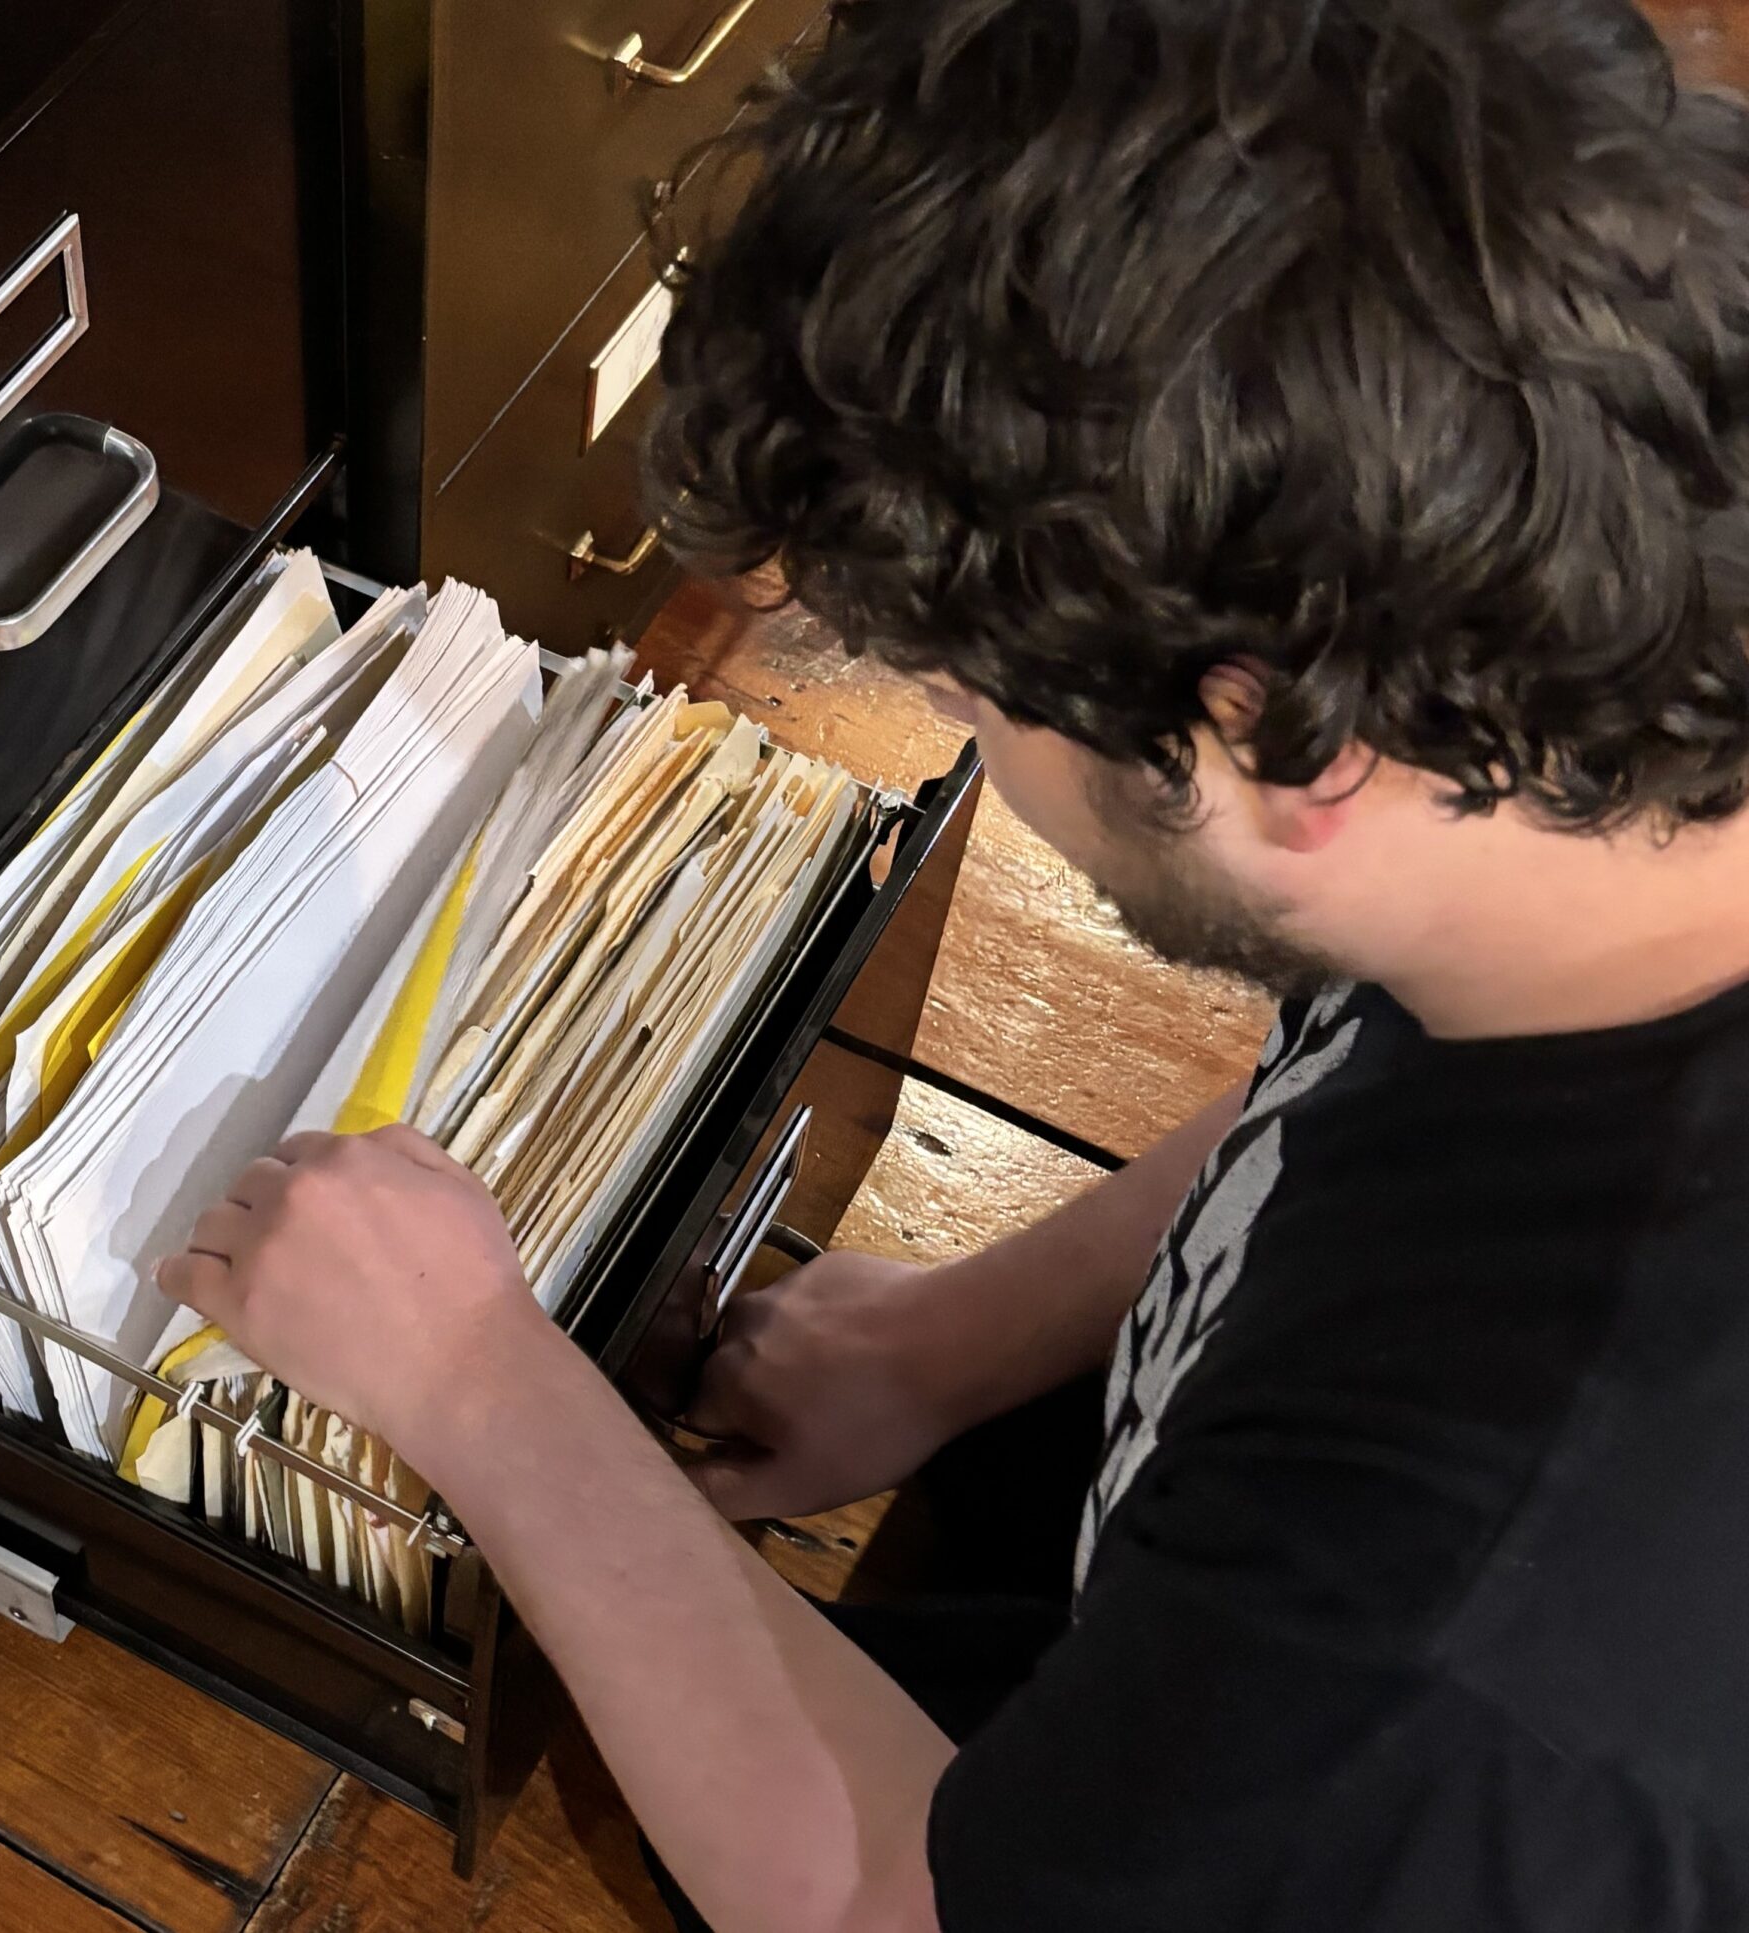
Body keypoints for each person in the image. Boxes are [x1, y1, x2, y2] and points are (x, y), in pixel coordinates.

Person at [154, 0, 1749, 1923]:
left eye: (973, 707)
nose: (972, 743)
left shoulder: (1452, 1667)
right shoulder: (1598, 662)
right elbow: (1344, 1090)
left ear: (1286, 751)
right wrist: (953, 1341)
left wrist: (486, 1383)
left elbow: (897, 1903)